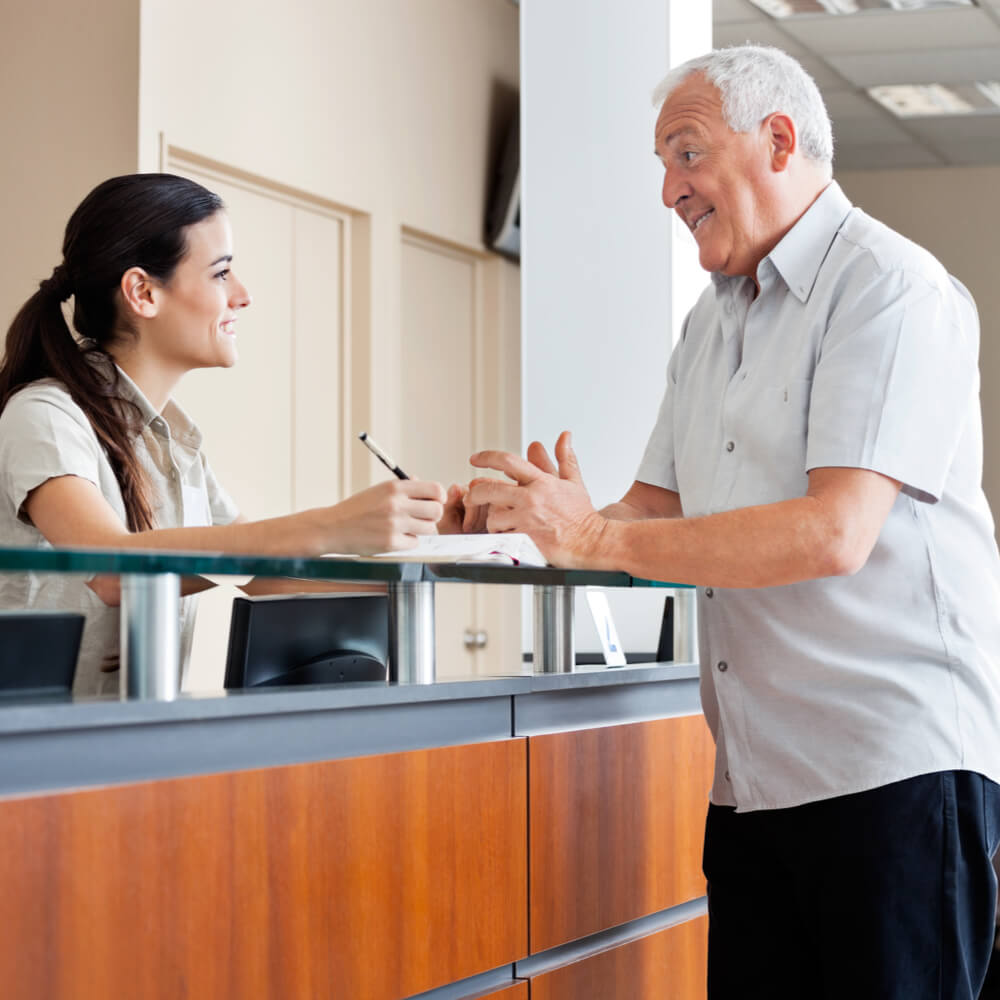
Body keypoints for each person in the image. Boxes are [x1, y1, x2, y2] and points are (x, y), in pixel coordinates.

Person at [467, 45, 1000, 1000]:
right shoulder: (711, 320)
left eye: (685, 154)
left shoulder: (890, 289)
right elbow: (648, 516)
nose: (667, 190)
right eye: (663, 166)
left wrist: (596, 536)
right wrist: (531, 522)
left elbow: (834, 532)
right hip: (753, 788)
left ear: (778, 141)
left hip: (893, 780)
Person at [0, 173, 453, 695]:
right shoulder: (44, 416)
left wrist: (435, 545)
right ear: (143, 292)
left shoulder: (176, 442)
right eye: (221, 274)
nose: (243, 296)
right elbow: (112, 570)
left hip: (126, 740)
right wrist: (330, 525)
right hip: (33, 755)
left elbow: (263, 576)